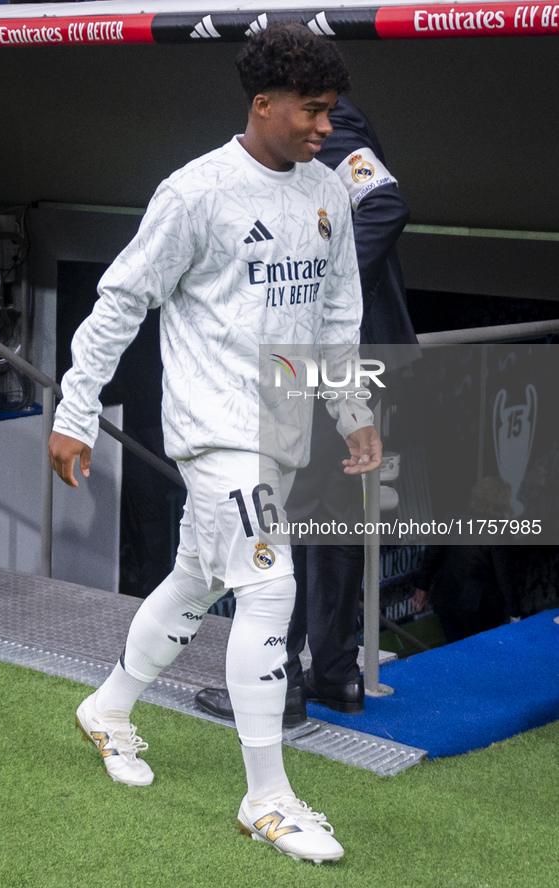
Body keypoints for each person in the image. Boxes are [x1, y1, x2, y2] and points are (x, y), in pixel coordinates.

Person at [48, 23, 381, 865]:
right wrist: (75, 410)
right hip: (215, 430)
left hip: (280, 428)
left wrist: (351, 411)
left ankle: (109, 707)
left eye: (330, 110)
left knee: (200, 581)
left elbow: (338, 313)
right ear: (262, 104)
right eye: (311, 110)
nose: (323, 127)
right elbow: (121, 299)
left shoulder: (328, 191)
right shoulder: (195, 193)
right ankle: (267, 797)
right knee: (268, 589)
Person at [196, 93, 417, 726]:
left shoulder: (331, 122)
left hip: (331, 357)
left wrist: (317, 300)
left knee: (288, 510)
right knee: (330, 517)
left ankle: (283, 683)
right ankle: (336, 675)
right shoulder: (319, 123)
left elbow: (383, 205)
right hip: (347, 360)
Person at [412, 477, 521, 642]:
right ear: (501, 500)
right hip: (479, 608)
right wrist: (514, 612)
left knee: (455, 649)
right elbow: (505, 576)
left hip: (446, 599)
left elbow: (432, 555)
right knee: (480, 654)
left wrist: (422, 587)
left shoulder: (452, 518)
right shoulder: (500, 531)